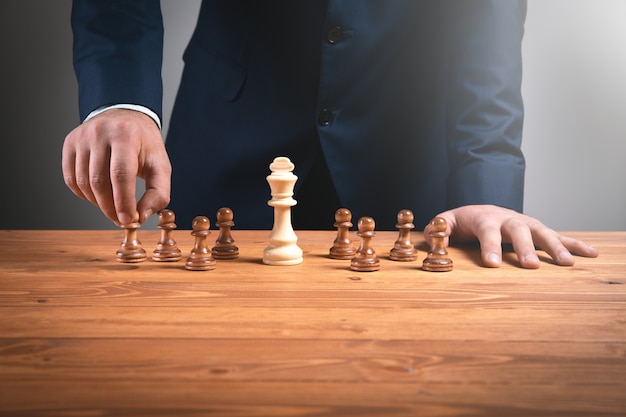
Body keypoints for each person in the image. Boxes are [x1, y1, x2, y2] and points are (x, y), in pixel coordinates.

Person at [63, 0, 598, 268]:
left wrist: (489, 192)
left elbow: (489, 27)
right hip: (227, 143)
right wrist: (121, 100)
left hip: (407, 164)